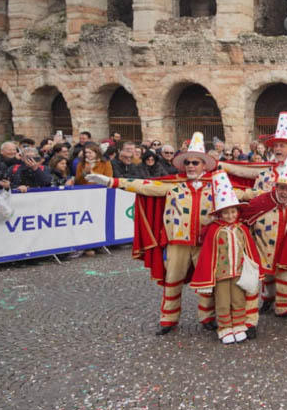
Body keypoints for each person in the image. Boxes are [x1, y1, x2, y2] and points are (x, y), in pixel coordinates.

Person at [87, 133, 229, 336]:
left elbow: (240, 195)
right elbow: (145, 186)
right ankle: (169, 319)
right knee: (172, 281)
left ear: (203, 165)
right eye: (187, 162)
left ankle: (207, 317)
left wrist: (269, 192)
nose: (190, 166)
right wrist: (111, 182)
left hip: (204, 243)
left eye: (195, 162)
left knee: (206, 283)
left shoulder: (215, 186)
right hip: (177, 243)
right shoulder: (174, 184)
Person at [190, 172, 263, 344]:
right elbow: (208, 253)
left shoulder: (241, 228)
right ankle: (224, 328)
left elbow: (249, 249)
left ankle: (239, 325)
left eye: (233, 212)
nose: (230, 216)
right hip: (220, 274)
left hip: (238, 272)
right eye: (226, 213)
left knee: (238, 300)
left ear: (237, 212)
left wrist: (256, 269)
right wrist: (208, 276)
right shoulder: (214, 230)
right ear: (220, 214)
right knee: (222, 301)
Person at [238, 154, 287, 319]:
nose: (285, 192)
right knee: (268, 277)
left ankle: (283, 308)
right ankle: (268, 300)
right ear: (276, 187)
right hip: (265, 248)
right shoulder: (261, 202)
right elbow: (244, 218)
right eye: (282, 188)